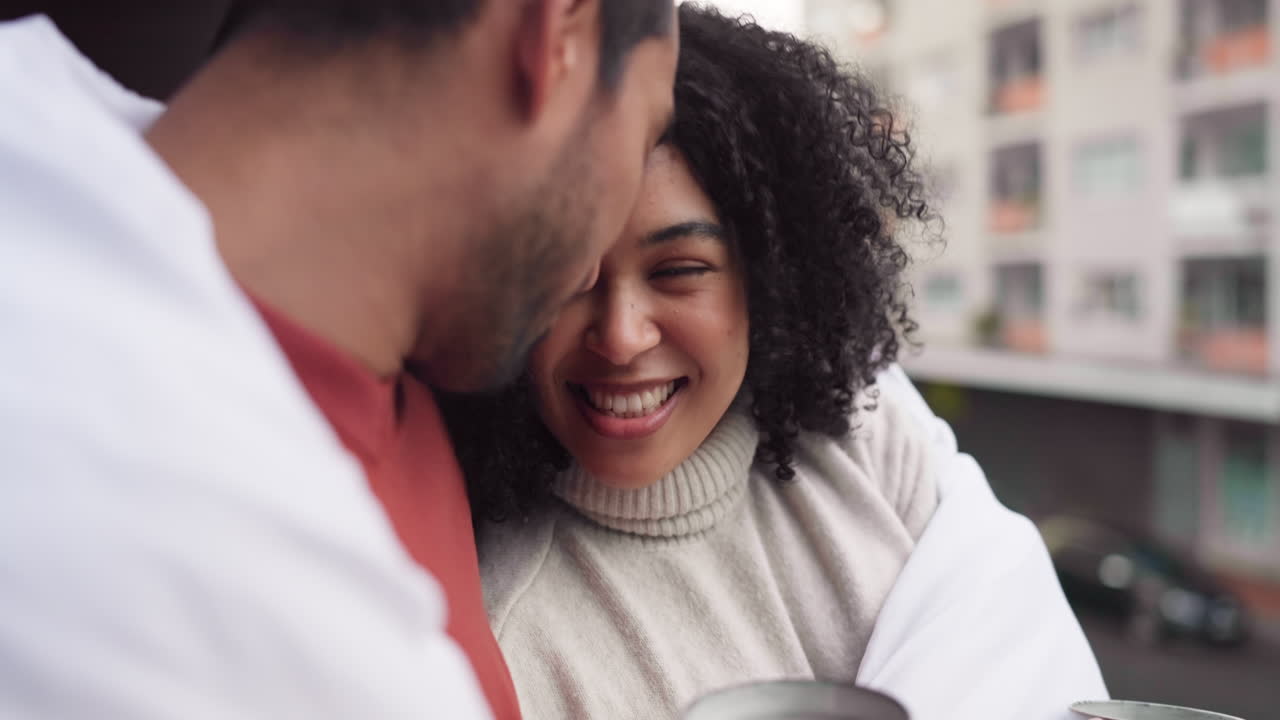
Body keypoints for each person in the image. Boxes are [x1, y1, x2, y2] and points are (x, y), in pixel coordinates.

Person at [0, 0, 675, 717]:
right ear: (557, 31)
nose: (593, 273)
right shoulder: (294, 643)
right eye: (642, 136)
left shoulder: (382, 362)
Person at [443, 6, 1107, 719]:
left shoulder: (874, 442)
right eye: (571, 274)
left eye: (680, 270)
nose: (622, 336)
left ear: (771, 278)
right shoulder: (506, 638)